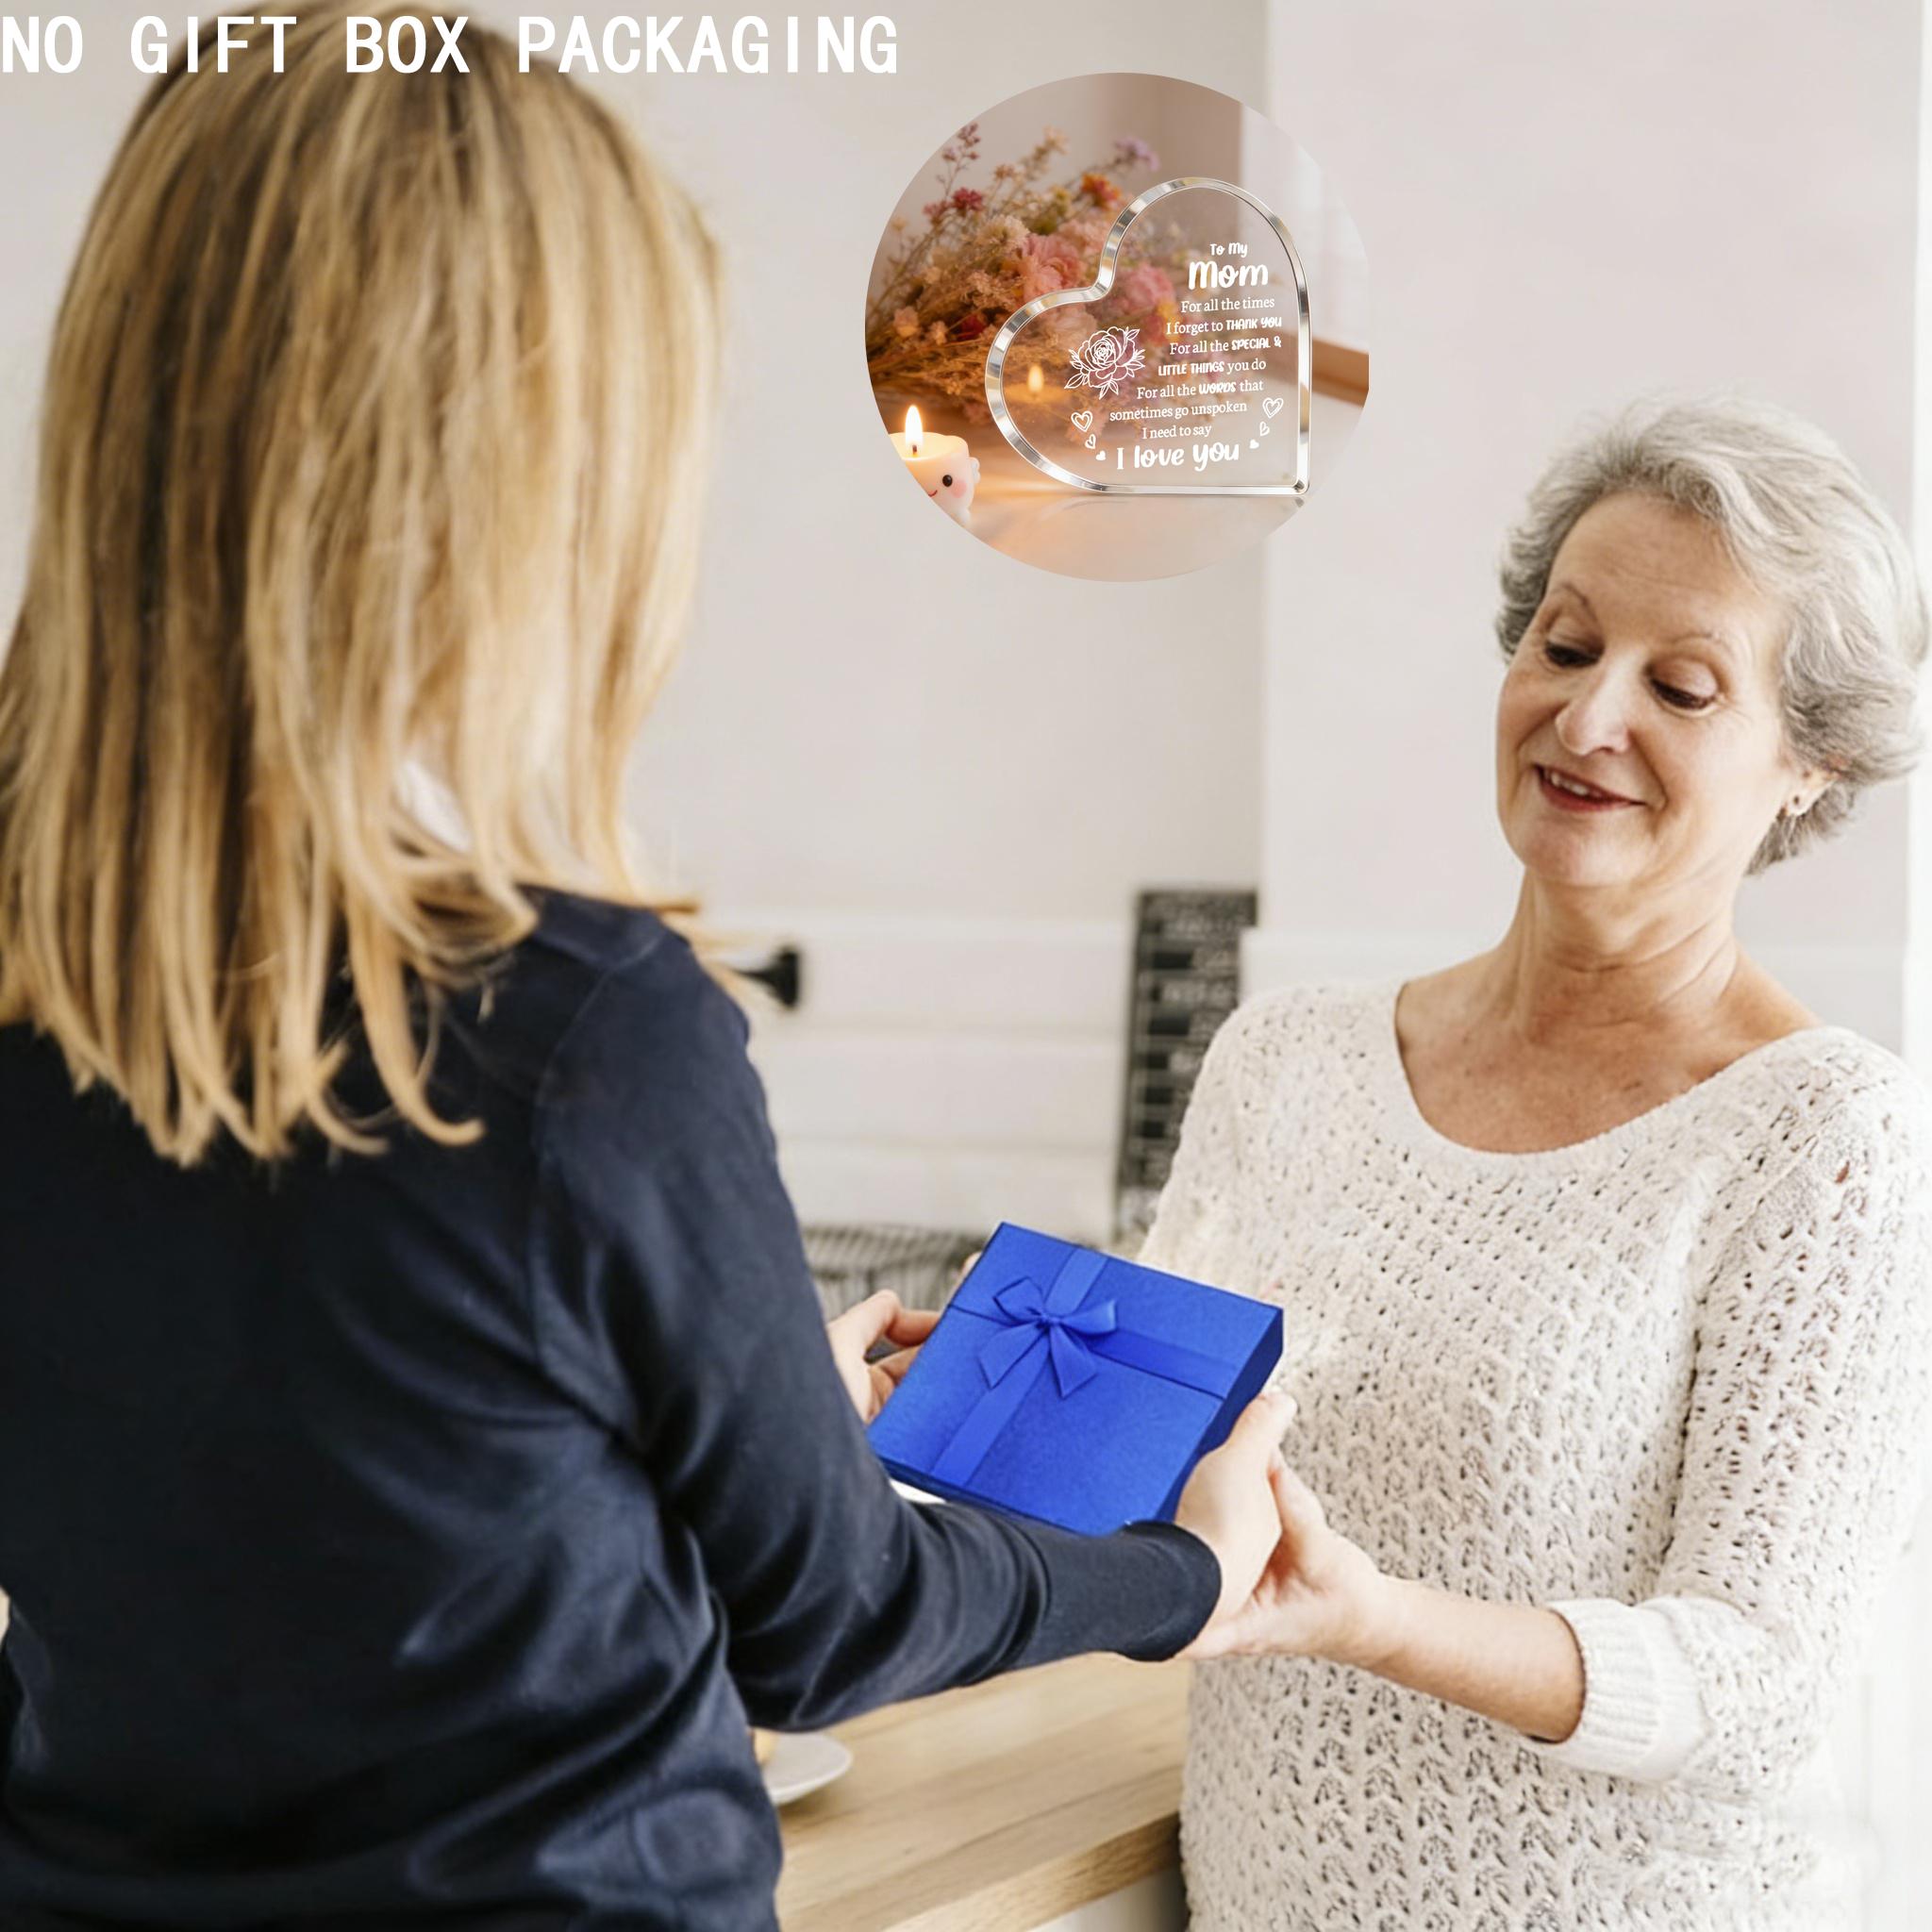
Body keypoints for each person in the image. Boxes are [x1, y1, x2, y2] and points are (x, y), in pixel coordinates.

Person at [0, 11, 1294, 1928]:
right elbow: (827, 1625)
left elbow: (300, 1513)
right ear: (513, 486)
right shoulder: (575, 1029)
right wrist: (1177, 1568)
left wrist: (736, 1394)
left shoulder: (50, 989)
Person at [1140, 394, 1932, 1931]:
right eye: (1565, 649)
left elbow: (1757, 1686)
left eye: (1682, 687)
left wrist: (1375, 1622)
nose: (1585, 722)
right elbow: (1153, 1478)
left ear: (1812, 764)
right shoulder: (1287, 1062)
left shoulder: (1827, 1144)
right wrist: (979, 1404)